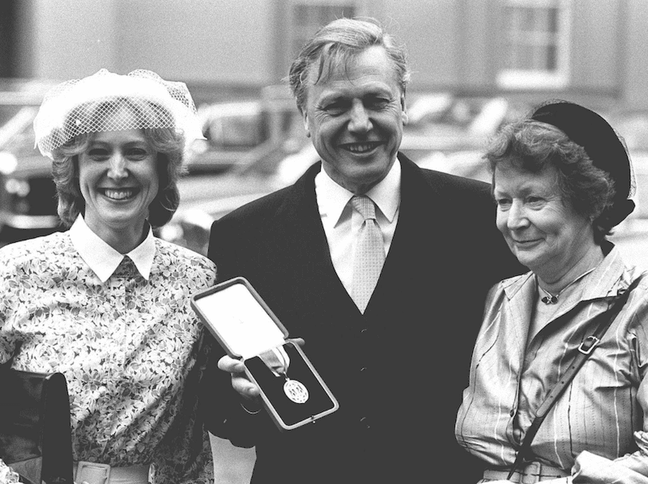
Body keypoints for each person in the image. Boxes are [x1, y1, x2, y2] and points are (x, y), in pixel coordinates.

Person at [200, 17, 524, 484]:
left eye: (376, 101)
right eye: (335, 106)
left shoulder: (480, 217)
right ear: (305, 116)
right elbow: (221, 412)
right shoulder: (244, 234)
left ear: (404, 105)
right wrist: (244, 397)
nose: (360, 123)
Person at [0, 69, 216, 484]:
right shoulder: (15, 272)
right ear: (73, 168)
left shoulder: (196, 281)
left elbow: (190, 445)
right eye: (98, 153)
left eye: (136, 152)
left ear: (162, 166)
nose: (118, 170)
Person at [455, 100, 648, 484]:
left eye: (534, 200)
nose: (514, 221)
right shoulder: (499, 300)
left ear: (590, 203)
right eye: (503, 201)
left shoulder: (638, 307)